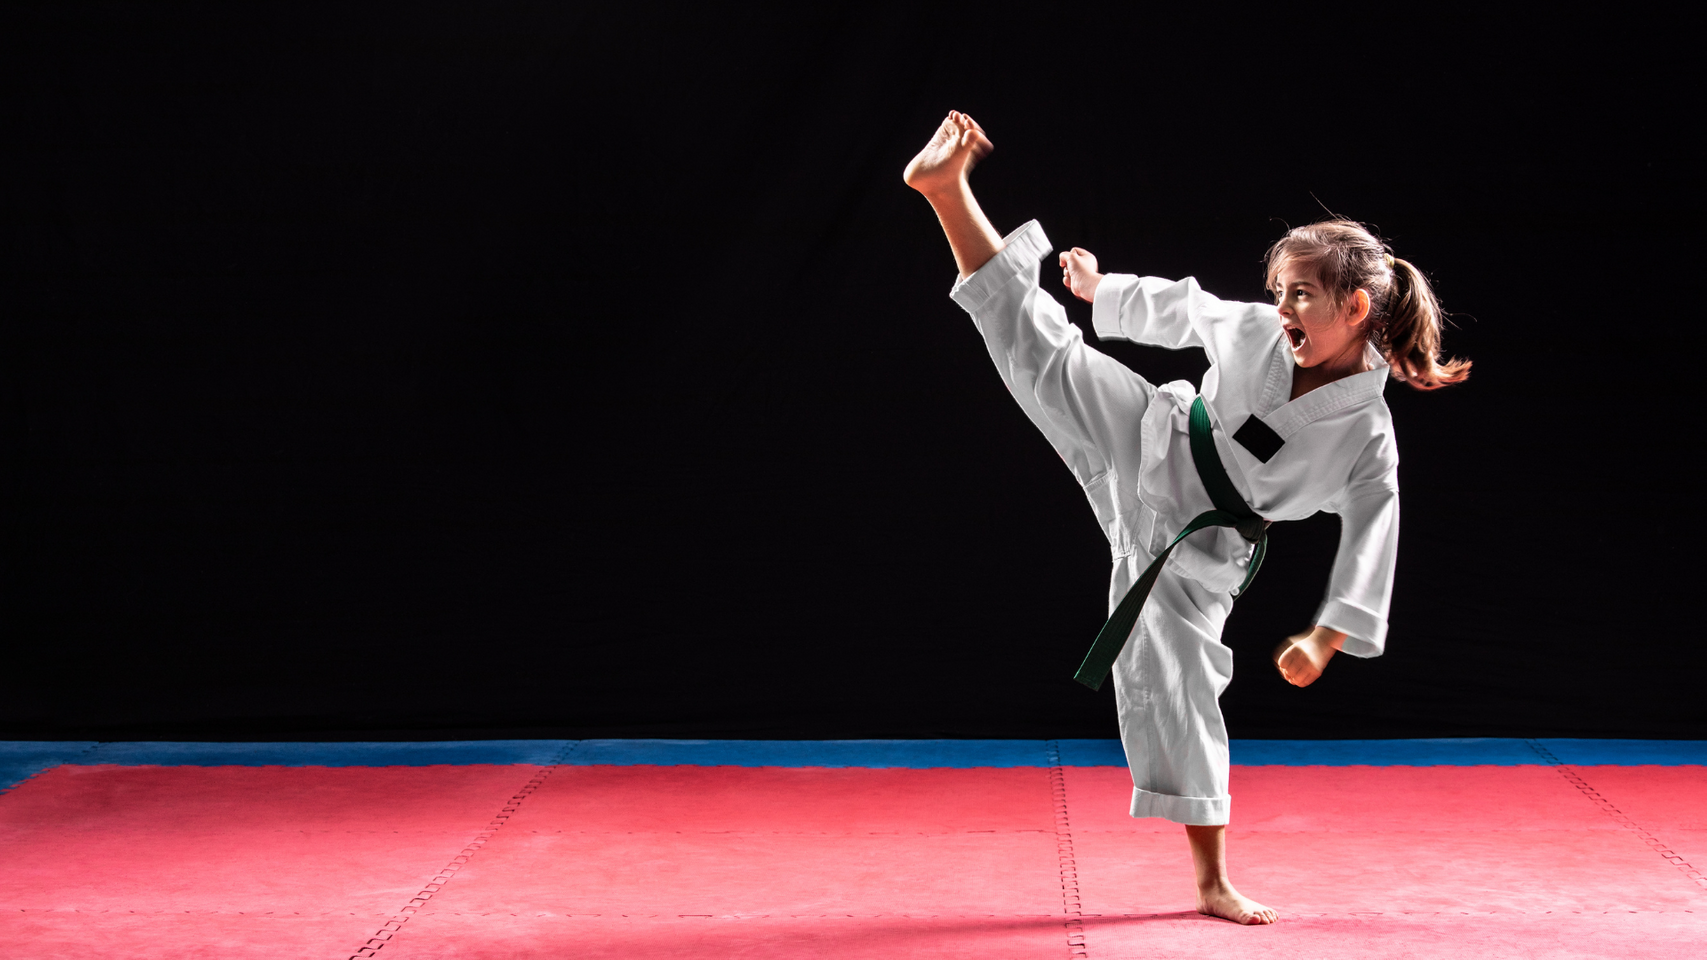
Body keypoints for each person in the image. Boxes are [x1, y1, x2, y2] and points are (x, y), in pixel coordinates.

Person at [902, 111, 1469, 925]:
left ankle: (1210, 879)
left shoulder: (1366, 435)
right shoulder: (1255, 330)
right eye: (1278, 291)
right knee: (1041, 349)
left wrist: (1327, 635)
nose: (1280, 309)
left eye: (1299, 295)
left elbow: (1373, 532)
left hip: (1204, 548)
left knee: (1179, 687)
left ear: (1353, 309)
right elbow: (1186, 308)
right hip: (1154, 438)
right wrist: (1103, 292)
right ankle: (946, 192)